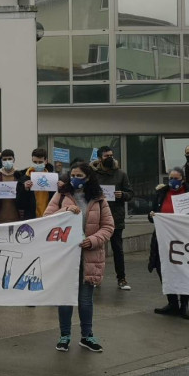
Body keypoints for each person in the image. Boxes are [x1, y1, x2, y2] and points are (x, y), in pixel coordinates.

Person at [45, 162, 114, 353]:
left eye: (80, 176)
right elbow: (46, 219)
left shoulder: (99, 199)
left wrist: (92, 240)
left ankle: (87, 336)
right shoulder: (61, 195)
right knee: (66, 298)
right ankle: (64, 336)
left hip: (89, 256)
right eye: (73, 175)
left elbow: (108, 227)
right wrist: (65, 211)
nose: (75, 179)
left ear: (89, 177)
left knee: (85, 300)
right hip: (66, 256)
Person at [148, 167, 189, 319]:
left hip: (184, 240)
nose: (173, 181)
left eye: (176, 178)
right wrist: (152, 215)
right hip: (162, 239)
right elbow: (152, 215)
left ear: (183, 179)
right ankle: (172, 303)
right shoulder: (161, 193)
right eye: (170, 178)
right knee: (163, 269)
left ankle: (184, 305)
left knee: (184, 271)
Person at [92, 146, 134, 291]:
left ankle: (121, 278)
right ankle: (95, 278)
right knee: (96, 249)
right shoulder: (93, 174)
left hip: (116, 216)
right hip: (98, 216)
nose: (109, 158)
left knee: (118, 249)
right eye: (106, 156)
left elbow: (130, 193)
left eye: (111, 155)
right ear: (99, 158)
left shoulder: (121, 174)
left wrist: (123, 194)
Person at [21, 148, 56, 219]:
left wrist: (60, 187)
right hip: (31, 219)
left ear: (45, 161)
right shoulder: (24, 178)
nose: (37, 164)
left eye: (40, 162)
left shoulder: (52, 178)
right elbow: (20, 204)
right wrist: (24, 189)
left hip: (49, 217)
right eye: (35, 162)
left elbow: (56, 200)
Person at [0, 149, 23, 223]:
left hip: (17, 218)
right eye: (4, 159)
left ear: (14, 160)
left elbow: (24, 198)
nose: (7, 161)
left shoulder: (20, 176)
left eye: (9, 159)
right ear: (1, 161)